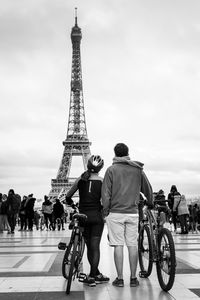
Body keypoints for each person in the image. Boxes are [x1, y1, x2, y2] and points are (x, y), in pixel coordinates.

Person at [101, 143, 153, 288]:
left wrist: (106, 211)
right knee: (132, 245)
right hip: (133, 212)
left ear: (115, 154)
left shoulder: (111, 170)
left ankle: (119, 278)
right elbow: (147, 189)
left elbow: (106, 194)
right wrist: (150, 201)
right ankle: (133, 278)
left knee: (118, 245)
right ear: (127, 152)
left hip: (116, 213)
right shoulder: (137, 169)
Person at [65, 155, 109, 287]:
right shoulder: (102, 181)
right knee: (95, 247)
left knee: (89, 246)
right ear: (100, 168)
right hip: (96, 217)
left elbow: (68, 197)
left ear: (88, 165)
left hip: (83, 216)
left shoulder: (81, 179)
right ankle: (93, 274)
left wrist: (72, 204)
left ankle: (94, 274)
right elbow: (106, 201)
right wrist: (103, 209)